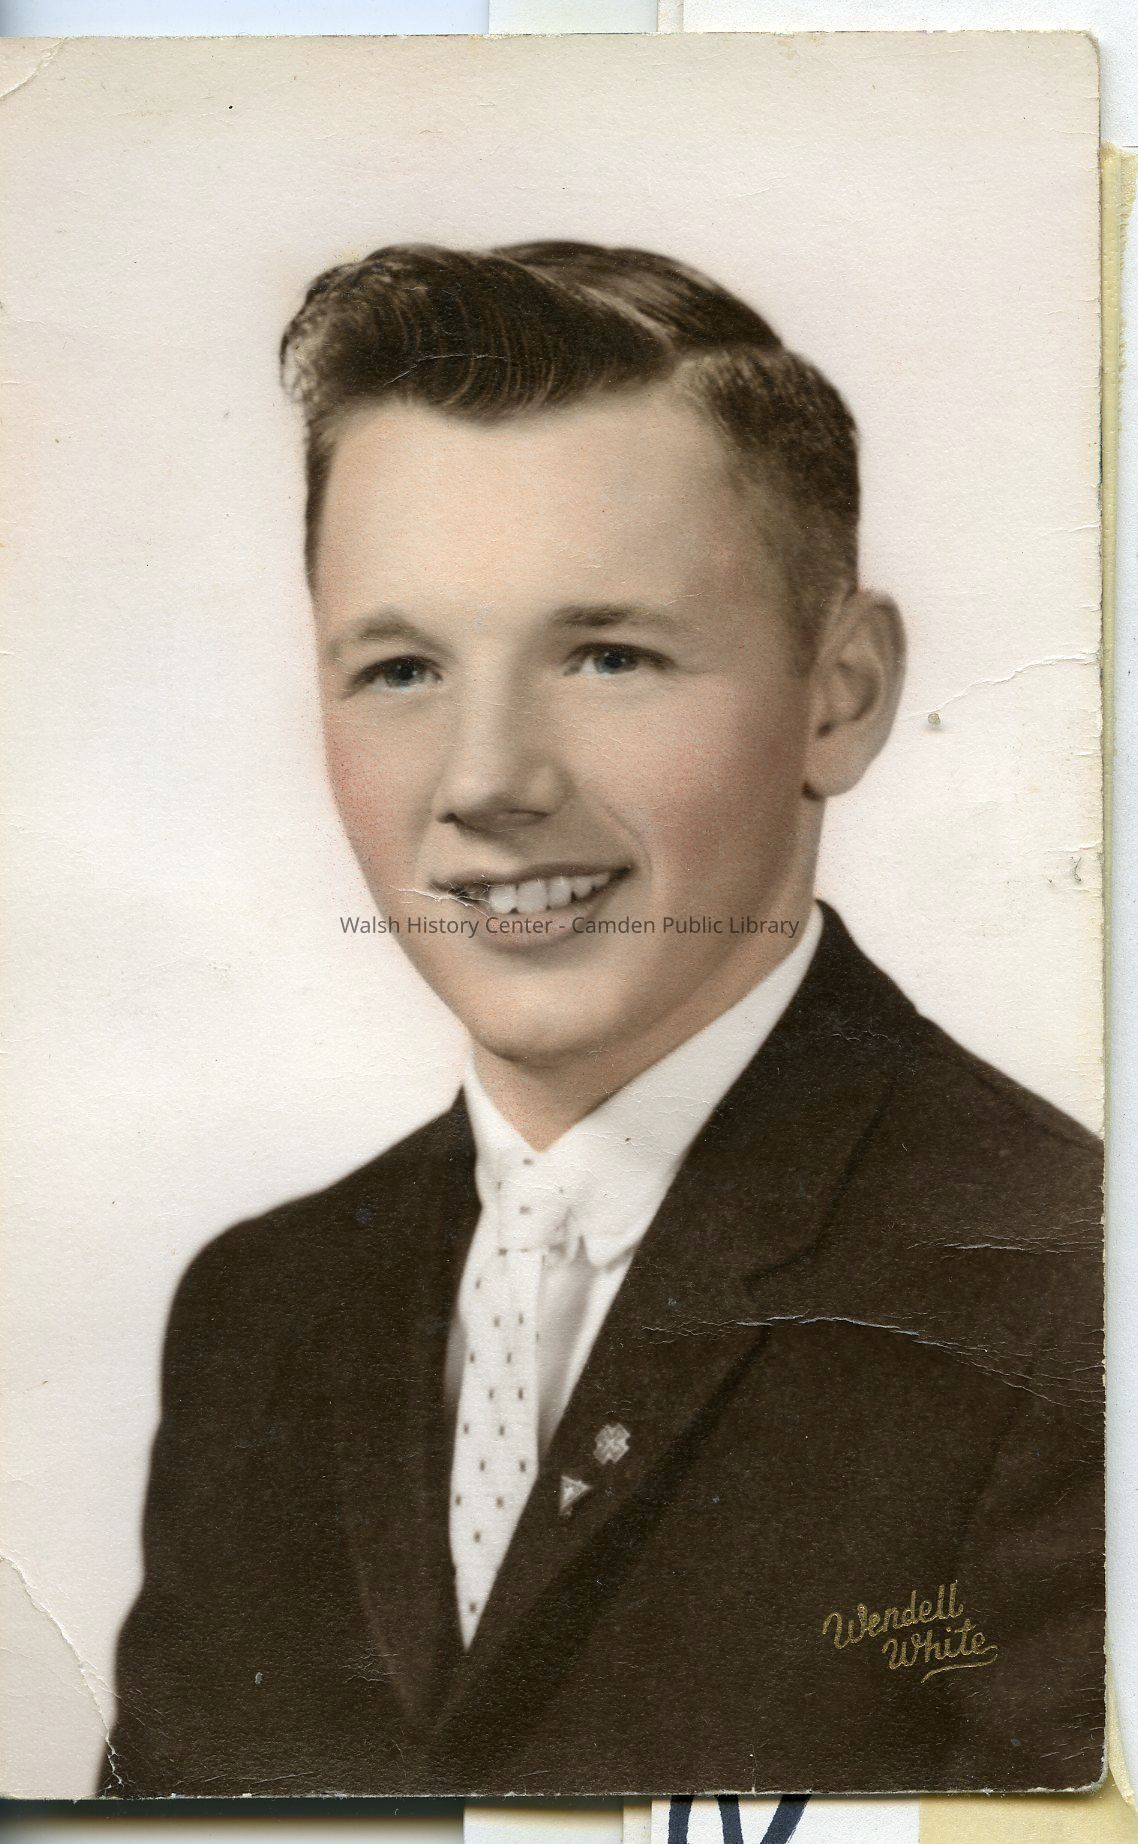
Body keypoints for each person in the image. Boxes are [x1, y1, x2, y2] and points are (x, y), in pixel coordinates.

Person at [103, 242, 1103, 1799]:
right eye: (402, 667)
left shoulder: (1069, 1295)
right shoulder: (259, 1312)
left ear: (838, 694)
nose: (488, 780)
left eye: (607, 655)